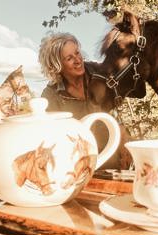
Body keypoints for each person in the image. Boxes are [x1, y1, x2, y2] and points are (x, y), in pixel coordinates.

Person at [38, 32, 131, 170]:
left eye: (77, 53)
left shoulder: (99, 72)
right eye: (69, 58)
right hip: (77, 164)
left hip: (113, 154)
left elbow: (115, 110)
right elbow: (52, 137)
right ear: (56, 65)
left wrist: (125, 140)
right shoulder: (51, 95)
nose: (78, 60)